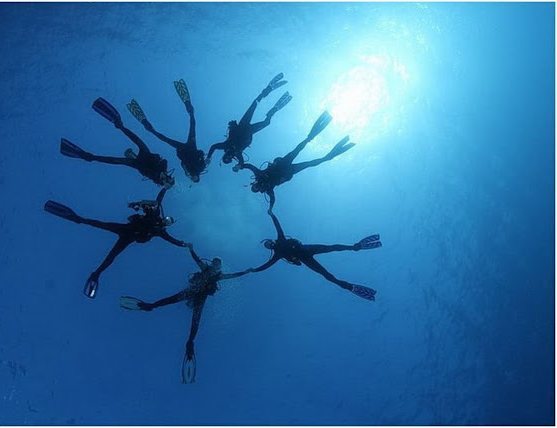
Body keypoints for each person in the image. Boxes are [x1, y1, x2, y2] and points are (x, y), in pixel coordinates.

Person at [119, 246, 251, 383]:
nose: (215, 265)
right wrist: (191, 249)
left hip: (199, 297)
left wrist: (246, 271)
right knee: (170, 300)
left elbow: (233, 275)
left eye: (217, 264)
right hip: (191, 292)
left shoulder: (218, 276)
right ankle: (149, 306)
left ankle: (190, 342)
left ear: (219, 267)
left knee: (195, 321)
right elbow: (196, 259)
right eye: (214, 262)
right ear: (212, 263)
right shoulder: (205, 268)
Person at [43, 187, 189, 299]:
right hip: (126, 229)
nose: (166, 221)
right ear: (165, 216)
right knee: (102, 224)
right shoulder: (155, 215)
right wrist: (165, 188)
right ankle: (78, 219)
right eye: (168, 219)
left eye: (169, 222)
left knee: (112, 256)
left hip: (128, 238)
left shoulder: (160, 232)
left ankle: (96, 274)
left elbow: (172, 240)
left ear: (168, 225)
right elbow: (158, 200)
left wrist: (183, 244)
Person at [248, 209, 381, 301]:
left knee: (331, 247)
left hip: (307, 249)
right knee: (325, 274)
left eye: (268, 243)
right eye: (268, 246)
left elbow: (278, 226)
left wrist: (272, 214)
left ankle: (355, 247)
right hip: (305, 258)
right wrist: (254, 270)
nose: (270, 245)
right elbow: (267, 265)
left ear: (270, 240)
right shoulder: (277, 254)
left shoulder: (281, 239)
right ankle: (346, 285)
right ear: (270, 248)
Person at [237, 111, 355, 209]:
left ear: (253, 184)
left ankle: (314, 133)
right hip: (288, 171)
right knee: (311, 163)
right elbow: (272, 199)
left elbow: (250, 166)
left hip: (282, 164)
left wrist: (240, 166)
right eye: (256, 189)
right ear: (258, 191)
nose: (257, 187)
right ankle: (330, 155)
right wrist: (270, 209)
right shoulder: (268, 189)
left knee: (300, 147)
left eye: (255, 187)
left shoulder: (259, 175)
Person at [81, 97, 175, 188]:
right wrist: (163, 171)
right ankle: (120, 126)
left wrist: (161, 179)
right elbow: (164, 161)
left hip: (138, 164)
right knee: (135, 138)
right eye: (170, 178)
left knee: (117, 161)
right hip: (146, 154)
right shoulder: (164, 169)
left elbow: (153, 176)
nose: (168, 178)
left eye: (168, 181)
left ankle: (92, 157)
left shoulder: (157, 180)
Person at [206, 73, 292, 170]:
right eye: (229, 159)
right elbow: (242, 162)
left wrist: (209, 157)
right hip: (249, 131)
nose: (229, 156)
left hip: (242, 126)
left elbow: (213, 146)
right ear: (231, 159)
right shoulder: (237, 153)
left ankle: (268, 89)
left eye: (226, 157)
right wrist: (239, 166)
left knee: (254, 104)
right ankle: (273, 110)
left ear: (224, 154)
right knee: (267, 122)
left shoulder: (225, 145)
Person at [127, 79, 207, 183]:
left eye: (192, 179)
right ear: (198, 177)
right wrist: (203, 159)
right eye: (195, 178)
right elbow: (201, 154)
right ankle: (190, 109)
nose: (193, 177)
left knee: (165, 139)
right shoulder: (201, 168)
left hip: (183, 149)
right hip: (192, 147)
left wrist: (186, 171)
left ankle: (148, 126)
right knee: (192, 126)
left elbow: (182, 163)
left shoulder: (188, 172)